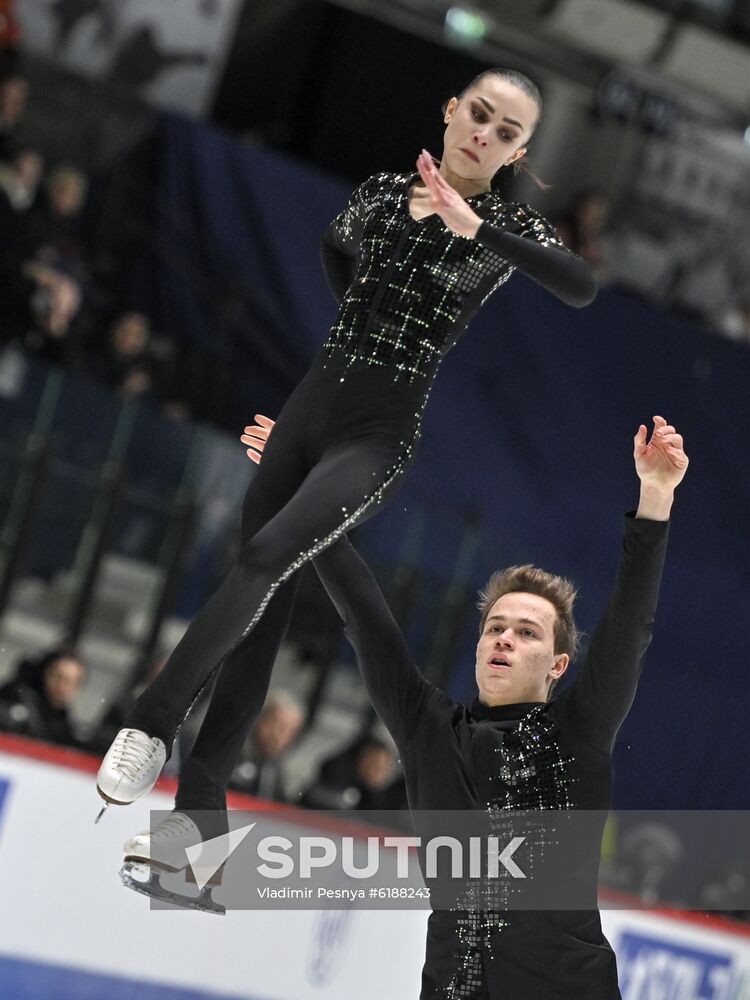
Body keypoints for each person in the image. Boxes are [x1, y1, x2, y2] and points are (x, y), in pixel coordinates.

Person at [97, 67, 597, 811]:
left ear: (517, 154)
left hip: (377, 434)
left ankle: (151, 722)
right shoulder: (382, 193)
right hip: (307, 410)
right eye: (479, 115)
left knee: (266, 555)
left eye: (507, 133)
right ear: (452, 108)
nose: (484, 134)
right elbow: (338, 248)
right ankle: (194, 839)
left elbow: (579, 284)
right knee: (255, 621)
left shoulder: (505, 233)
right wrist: (364, 317)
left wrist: (478, 228)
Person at [258, 410, 687, 996]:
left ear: (558, 666)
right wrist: (300, 503)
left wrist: (655, 497)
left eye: (528, 632)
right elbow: (366, 619)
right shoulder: (428, 728)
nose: (505, 637)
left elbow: (629, 631)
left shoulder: (578, 731)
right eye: (495, 627)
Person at [0, 647, 86, 748]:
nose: (62, 685)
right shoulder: (17, 698)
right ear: (44, 673)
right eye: (58, 676)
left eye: (72, 682)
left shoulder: (63, 723)